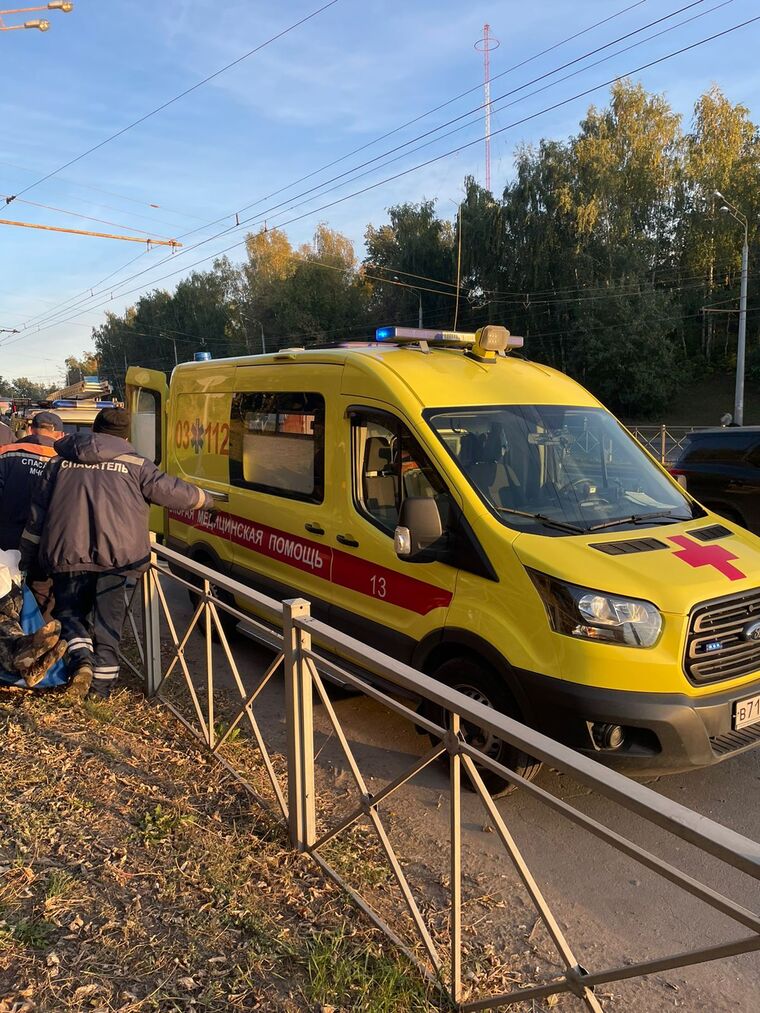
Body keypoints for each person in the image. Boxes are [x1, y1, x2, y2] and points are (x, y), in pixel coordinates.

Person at [19, 407, 214, 700]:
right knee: (108, 623)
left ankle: (81, 661)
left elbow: (37, 517)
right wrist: (208, 500)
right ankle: (100, 691)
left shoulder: (59, 463)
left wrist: (28, 558)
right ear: (125, 436)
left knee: (70, 614)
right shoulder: (137, 465)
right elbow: (173, 492)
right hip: (119, 559)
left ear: (93, 430)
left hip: (67, 554)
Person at [0, 411, 64, 620]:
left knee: (5, 593)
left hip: (6, 541)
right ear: (60, 435)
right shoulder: (62, 461)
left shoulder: (7, 452)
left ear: (29, 429)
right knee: (42, 593)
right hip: (44, 542)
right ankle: (40, 639)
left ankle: (10, 641)